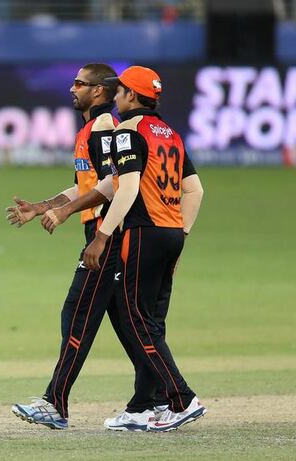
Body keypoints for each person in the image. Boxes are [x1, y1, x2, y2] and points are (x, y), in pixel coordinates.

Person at [8, 63, 137, 429]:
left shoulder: (103, 127)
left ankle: (55, 402)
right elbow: (85, 187)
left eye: (79, 83)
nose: (72, 88)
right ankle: (159, 394)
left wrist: (70, 216)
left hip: (106, 236)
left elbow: (115, 183)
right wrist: (43, 206)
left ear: (98, 91)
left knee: (77, 314)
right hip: (101, 234)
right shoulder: (89, 129)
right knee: (129, 325)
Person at [81, 65, 206, 432]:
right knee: (151, 322)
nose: (114, 97)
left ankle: (181, 399)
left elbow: (128, 188)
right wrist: (180, 235)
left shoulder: (128, 130)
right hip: (170, 233)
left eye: (119, 91)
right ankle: (144, 407)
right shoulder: (171, 134)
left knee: (136, 319)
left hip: (143, 232)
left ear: (132, 96)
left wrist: (102, 235)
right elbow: (195, 190)